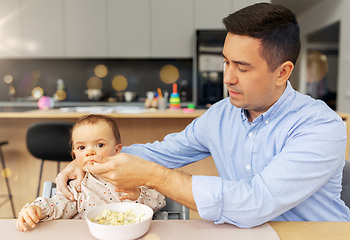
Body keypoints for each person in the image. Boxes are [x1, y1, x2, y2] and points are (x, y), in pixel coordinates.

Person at [56, 3, 350, 228]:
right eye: (226, 62)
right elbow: (163, 153)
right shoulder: (221, 115)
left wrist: (154, 177)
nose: (228, 78)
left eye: (242, 67)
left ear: (282, 72)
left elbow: (256, 202)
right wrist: (94, 159)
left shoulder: (320, 126)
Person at [16, 114, 165, 232]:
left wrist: (137, 194)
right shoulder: (78, 186)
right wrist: (37, 209)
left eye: (100, 145)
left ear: (117, 150)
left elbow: (159, 201)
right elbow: (58, 205)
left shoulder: (130, 175)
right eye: (82, 148)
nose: (90, 152)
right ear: (74, 154)